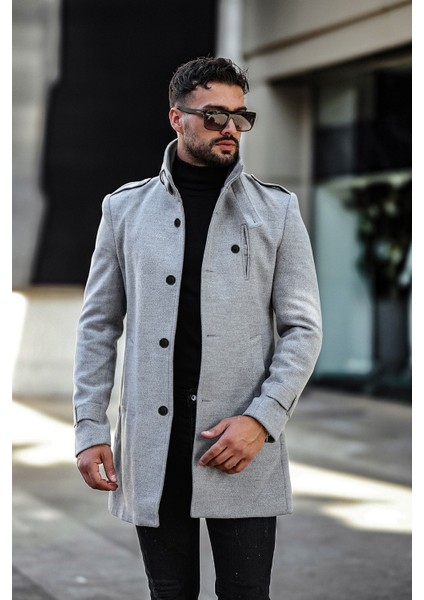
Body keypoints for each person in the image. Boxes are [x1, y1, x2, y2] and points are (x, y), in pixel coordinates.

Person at [73, 56, 322, 600]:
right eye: (214, 115)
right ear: (176, 118)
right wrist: (89, 427)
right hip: (152, 447)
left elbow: (303, 328)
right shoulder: (124, 210)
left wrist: (262, 419)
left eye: (240, 116)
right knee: (168, 593)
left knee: (246, 593)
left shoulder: (277, 210)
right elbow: (98, 326)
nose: (230, 127)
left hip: (239, 445)